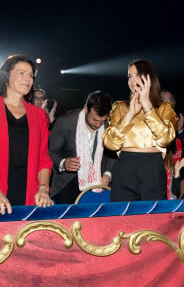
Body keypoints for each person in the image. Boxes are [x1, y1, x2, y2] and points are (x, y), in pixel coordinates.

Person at [102, 59, 177, 202]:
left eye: (136, 75)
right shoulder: (120, 107)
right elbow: (110, 143)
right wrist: (129, 114)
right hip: (125, 166)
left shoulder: (164, 108)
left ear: (148, 77)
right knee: (123, 219)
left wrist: (148, 106)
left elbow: (166, 138)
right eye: (130, 76)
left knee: (152, 220)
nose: (132, 80)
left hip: (153, 167)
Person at [0, 55, 53, 214]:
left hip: (29, 195)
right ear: (7, 75)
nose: (27, 79)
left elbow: (43, 159)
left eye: (31, 75)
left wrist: (43, 189)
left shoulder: (38, 115)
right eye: (21, 73)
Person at [49, 91, 115, 204]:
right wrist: (63, 163)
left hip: (99, 181)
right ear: (85, 109)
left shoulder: (109, 125)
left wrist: (107, 175)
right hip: (68, 182)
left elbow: (113, 154)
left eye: (102, 121)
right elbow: (51, 151)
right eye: (94, 119)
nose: (98, 125)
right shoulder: (65, 122)